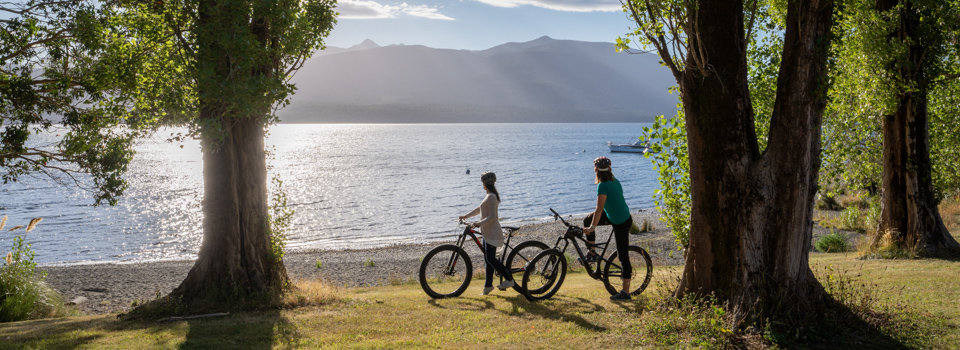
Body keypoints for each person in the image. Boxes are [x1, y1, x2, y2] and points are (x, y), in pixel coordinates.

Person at [582, 156, 634, 300]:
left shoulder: (603, 185)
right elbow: (605, 207)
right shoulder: (614, 181)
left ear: (596, 170)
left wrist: (592, 227)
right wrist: (591, 223)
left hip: (622, 221)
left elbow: (599, 209)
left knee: (623, 255)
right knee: (587, 219)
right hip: (614, 215)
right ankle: (592, 253)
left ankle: (626, 293)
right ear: (610, 169)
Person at [459, 172, 514, 295]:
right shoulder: (489, 195)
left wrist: (478, 223)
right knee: (488, 259)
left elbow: (493, 217)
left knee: (490, 259)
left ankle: (509, 279)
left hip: (493, 233)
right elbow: (480, 209)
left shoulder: (491, 197)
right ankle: (488, 286)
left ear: (484, 184)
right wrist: (466, 216)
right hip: (487, 233)